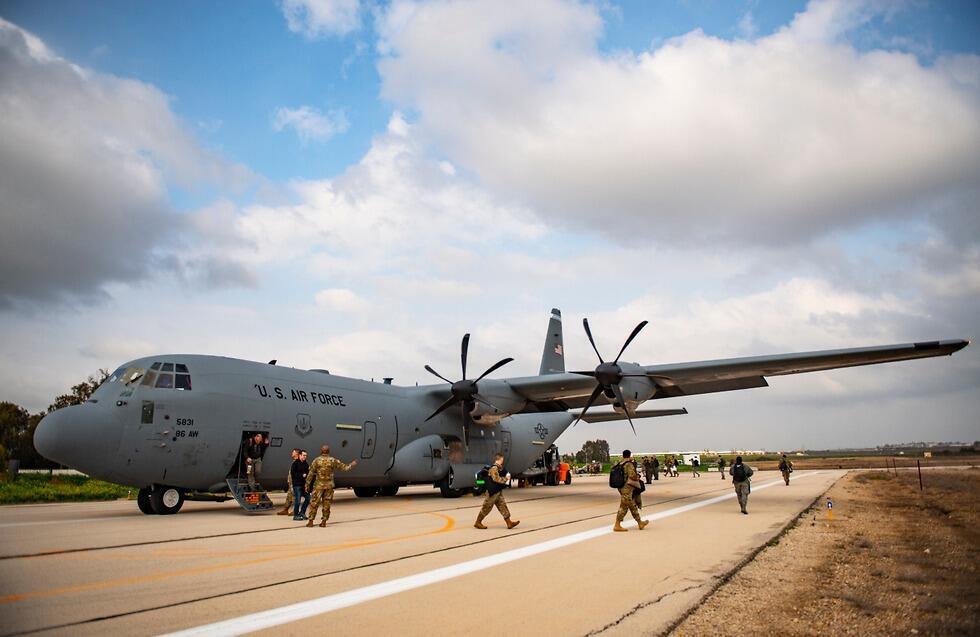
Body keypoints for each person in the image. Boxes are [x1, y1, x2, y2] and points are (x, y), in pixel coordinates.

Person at [305, 444, 358, 527]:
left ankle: (311, 521)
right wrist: (352, 464)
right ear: (328, 451)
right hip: (329, 486)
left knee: (314, 503)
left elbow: (311, 473)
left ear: (321, 451)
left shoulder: (316, 460)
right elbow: (345, 468)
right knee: (326, 504)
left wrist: (307, 484)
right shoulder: (333, 460)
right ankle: (324, 522)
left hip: (319, 486)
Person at [474, 453, 520, 530]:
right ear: (500, 459)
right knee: (487, 507)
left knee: (502, 506)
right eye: (502, 459)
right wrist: (506, 479)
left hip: (497, 491)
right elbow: (496, 479)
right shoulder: (494, 468)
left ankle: (509, 523)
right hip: (492, 492)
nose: (503, 461)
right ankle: (478, 522)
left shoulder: (499, 468)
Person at [613, 450, 649, 532]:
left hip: (621, 487)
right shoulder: (628, 464)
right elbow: (632, 475)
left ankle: (640, 523)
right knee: (628, 506)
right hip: (627, 488)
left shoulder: (620, 463)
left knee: (626, 505)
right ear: (629, 455)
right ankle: (617, 525)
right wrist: (637, 477)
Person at [278, 449, 300, 515]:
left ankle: (295, 511)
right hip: (291, 482)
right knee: (289, 496)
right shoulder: (294, 462)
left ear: (297, 454)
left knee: (295, 496)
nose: (291, 453)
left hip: (295, 483)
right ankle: (285, 509)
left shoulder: (298, 463)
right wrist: (289, 480)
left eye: (293, 452)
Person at [291, 449, 311, 520]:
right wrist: (302, 475)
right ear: (299, 455)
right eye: (303, 455)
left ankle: (302, 512)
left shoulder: (306, 464)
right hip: (297, 485)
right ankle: (296, 515)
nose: (305, 457)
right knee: (298, 500)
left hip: (303, 485)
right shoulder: (295, 463)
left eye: (306, 455)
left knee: (308, 498)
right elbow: (293, 474)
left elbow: (308, 473)